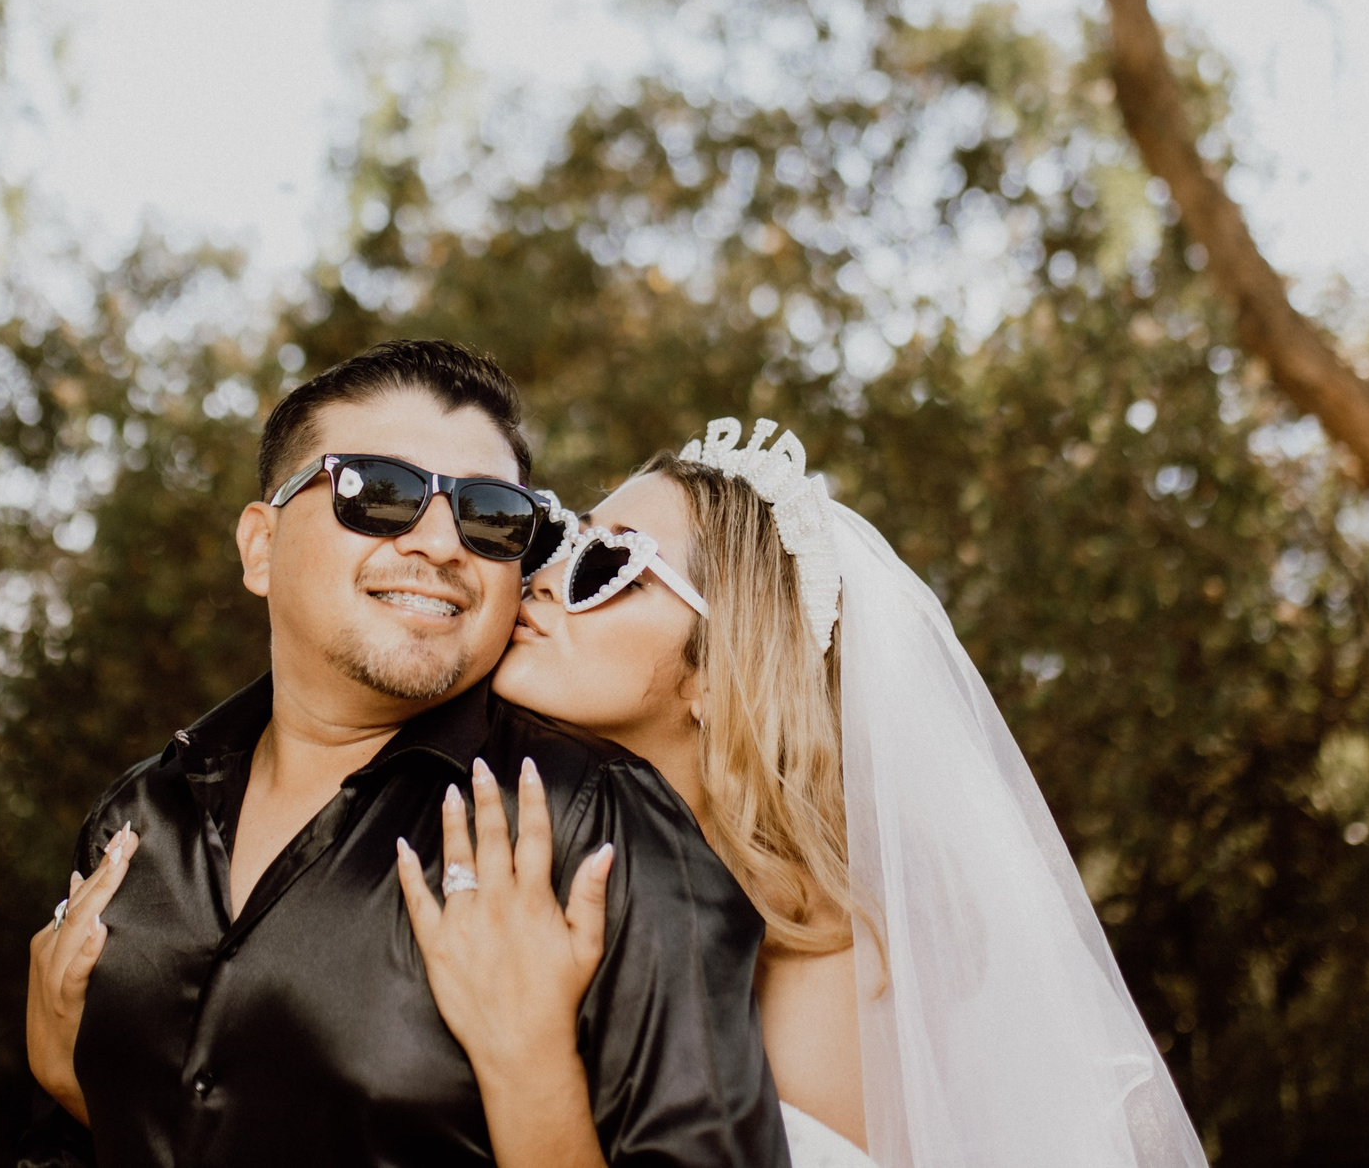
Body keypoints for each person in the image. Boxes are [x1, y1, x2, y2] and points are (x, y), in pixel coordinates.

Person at [19, 342, 789, 1168]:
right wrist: (82, 1096)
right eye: (379, 493)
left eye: (491, 515)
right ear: (260, 546)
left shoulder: (599, 827)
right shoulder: (135, 821)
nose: (443, 544)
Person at [395, 418, 1212, 1168]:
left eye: (606, 568)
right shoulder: (573, 859)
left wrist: (526, 1059)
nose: (541, 580)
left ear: (719, 673)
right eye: (557, 542)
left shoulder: (833, 962)